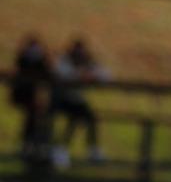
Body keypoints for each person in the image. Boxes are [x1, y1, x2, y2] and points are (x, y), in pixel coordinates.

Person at [49, 38, 109, 168]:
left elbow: (105, 75)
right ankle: (63, 151)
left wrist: (92, 74)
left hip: (76, 100)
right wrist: (81, 74)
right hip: (61, 100)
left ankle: (91, 149)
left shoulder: (87, 62)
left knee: (90, 118)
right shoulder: (65, 61)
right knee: (78, 118)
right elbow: (63, 75)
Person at [10, 35, 54, 162]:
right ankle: (29, 146)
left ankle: (35, 146)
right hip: (24, 96)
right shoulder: (23, 59)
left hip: (35, 98)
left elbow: (48, 73)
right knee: (33, 117)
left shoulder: (40, 61)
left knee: (39, 118)